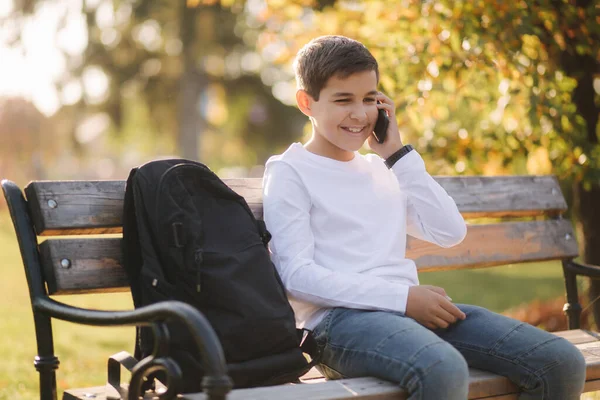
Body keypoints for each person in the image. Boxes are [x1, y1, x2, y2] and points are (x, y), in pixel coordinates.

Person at [261, 35, 586, 399]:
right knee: (442, 370)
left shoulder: (383, 168)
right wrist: (401, 297)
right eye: (343, 100)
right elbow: (297, 276)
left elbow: (450, 231)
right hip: (339, 324)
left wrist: (398, 155)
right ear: (307, 102)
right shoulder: (291, 170)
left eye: (370, 99)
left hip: (410, 311)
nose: (360, 114)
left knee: (561, 361)